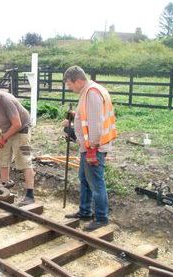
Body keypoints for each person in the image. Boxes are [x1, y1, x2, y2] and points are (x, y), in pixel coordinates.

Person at [62, 66, 117, 231]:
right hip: (87, 146)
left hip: (93, 147)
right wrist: (76, 116)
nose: (69, 88)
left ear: (78, 80)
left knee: (96, 182)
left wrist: (92, 147)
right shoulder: (88, 91)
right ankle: (85, 211)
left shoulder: (92, 93)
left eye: (70, 84)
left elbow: (96, 124)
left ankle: (101, 218)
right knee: (84, 179)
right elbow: (88, 115)